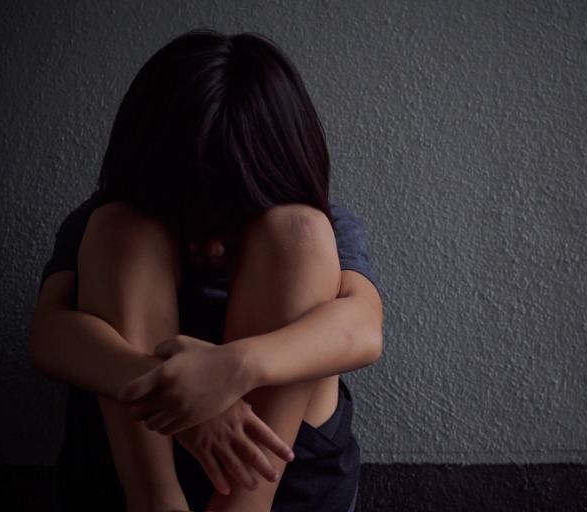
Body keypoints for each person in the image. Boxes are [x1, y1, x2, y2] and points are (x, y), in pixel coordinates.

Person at [28, 29, 383, 512]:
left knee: (300, 231)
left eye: (234, 223)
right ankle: (156, 503)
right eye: (188, 221)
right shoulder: (106, 224)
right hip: (132, 471)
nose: (212, 246)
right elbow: (48, 335)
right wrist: (179, 397)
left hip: (280, 483)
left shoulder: (320, 226)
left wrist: (231, 370)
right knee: (117, 226)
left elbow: (363, 330)